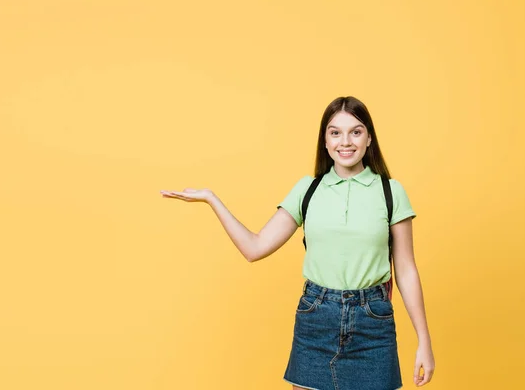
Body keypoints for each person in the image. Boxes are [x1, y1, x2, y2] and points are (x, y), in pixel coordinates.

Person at [160, 96, 435, 390]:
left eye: (355, 131)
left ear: (369, 139)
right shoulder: (308, 190)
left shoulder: (390, 191)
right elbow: (254, 248)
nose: (346, 141)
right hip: (316, 319)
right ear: (325, 142)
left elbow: (405, 270)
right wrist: (212, 199)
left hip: (373, 325)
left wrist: (424, 341)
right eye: (335, 132)